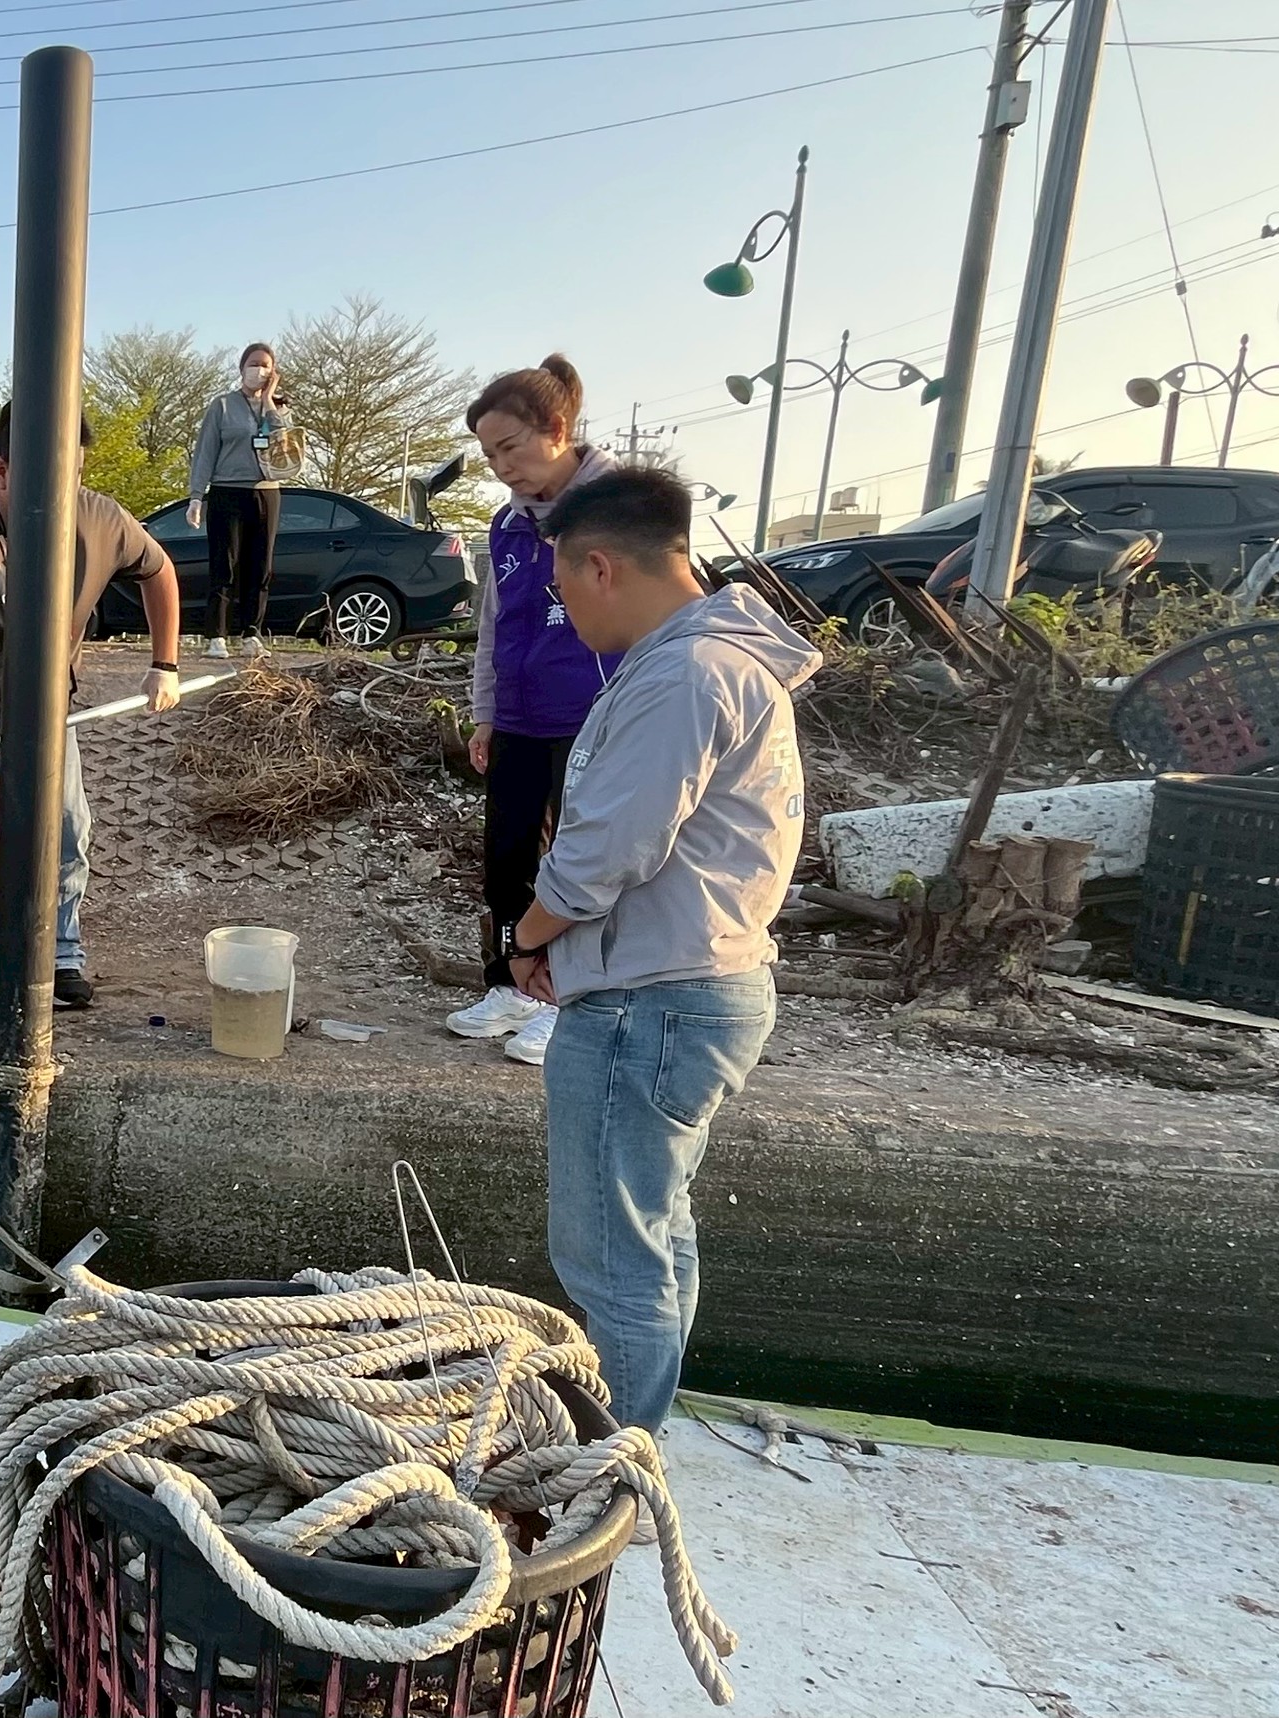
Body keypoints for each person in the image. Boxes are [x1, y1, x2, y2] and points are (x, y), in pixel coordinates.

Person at [505, 466, 818, 1432]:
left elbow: (608, 850)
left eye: (561, 585)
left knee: (612, 1258)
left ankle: (613, 1468)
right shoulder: (716, 662)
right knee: (654, 1230)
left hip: (651, 1002)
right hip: (694, 986)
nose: (562, 609)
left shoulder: (684, 674)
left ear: (599, 566)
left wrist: (523, 938)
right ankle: (638, 1440)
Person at [0, 403, 184, 1026]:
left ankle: (60, 954)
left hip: (43, 714)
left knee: (66, 835)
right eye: (42, 482)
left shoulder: (100, 520)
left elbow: (159, 571)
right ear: (1, 473)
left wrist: (166, 663)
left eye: (70, 478)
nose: (59, 497)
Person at [444, 356, 619, 1062]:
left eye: (510, 447)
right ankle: (512, 985)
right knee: (507, 859)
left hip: (591, 716)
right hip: (519, 715)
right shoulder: (507, 525)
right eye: (489, 455)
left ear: (556, 429)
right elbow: (495, 625)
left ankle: (570, 999)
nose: (501, 467)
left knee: (575, 863)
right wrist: (485, 712)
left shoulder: (616, 509)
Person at [184, 343, 293, 659]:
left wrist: (269, 401)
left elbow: (285, 443)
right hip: (227, 491)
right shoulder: (222, 406)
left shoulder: (280, 408)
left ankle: (251, 634)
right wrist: (196, 496)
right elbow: (205, 452)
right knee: (225, 564)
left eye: (265, 365)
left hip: (266, 491)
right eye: (253, 363)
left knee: (260, 566)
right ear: (242, 367)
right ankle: (217, 635)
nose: (259, 370)